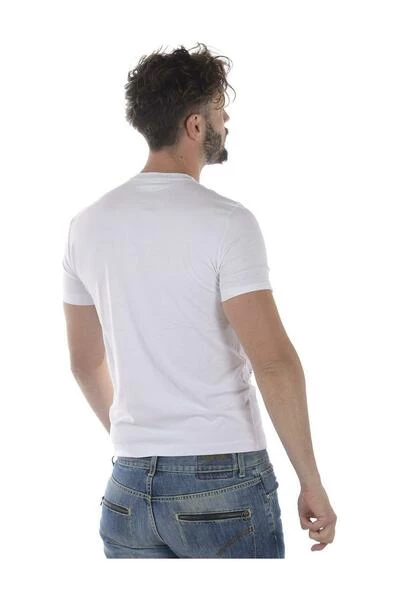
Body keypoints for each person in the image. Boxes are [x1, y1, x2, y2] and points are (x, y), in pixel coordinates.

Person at [62, 42, 337, 558]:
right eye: (218, 109)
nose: (225, 120)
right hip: (222, 483)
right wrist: (311, 480)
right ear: (194, 126)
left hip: (127, 491)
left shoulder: (86, 226)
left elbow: (83, 363)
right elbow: (273, 362)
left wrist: (140, 448)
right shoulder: (228, 222)